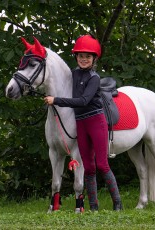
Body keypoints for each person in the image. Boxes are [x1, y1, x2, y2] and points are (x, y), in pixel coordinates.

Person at [44, 34, 122, 211]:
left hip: (96, 121)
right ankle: (93, 207)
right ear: (76, 57)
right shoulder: (73, 74)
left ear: (94, 59)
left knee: (102, 164)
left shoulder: (94, 78)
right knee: (88, 166)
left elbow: (84, 100)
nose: (84, 59)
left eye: (88, 56)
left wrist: (56, 100)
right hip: (80, 123)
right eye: (80, 56)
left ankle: (118, 203)